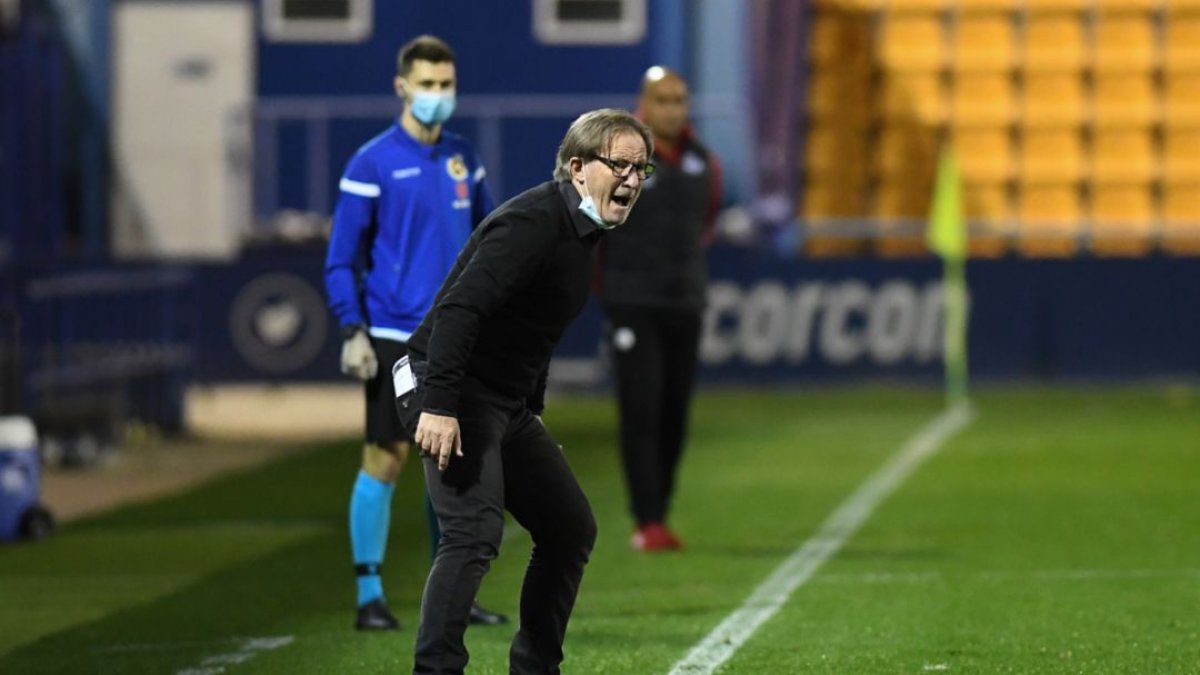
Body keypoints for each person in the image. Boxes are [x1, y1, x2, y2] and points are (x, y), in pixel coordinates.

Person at [397, 108, 653, 674]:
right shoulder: (534, 223)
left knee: (568, 528)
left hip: (497, 401)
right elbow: (460, 310)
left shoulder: (582, 230)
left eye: (642, 168)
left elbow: (531, 330)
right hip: (448, 382)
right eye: (621, 165)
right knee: (473, 533)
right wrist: (438, 405)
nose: (633, 180)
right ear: (578, 167)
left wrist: (529, 412)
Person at [324, 34, 506, 631]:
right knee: (386, 455)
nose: (437, 96)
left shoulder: (463, 157)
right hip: (392, 332)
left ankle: (452, 593)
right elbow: (340, 258)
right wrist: (352, 327)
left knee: (451, 458)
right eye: (427, 85)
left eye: (446, 85)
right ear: (402, 88)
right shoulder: (371, 162)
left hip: (455, 333)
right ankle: (368, 595)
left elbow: (488, 240)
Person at [596, 66, 722, 552]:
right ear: (643, 104)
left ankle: (660, 513)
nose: (673, 108)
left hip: (684, 301)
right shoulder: (619, 159)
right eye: (663, 100)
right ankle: (645, 518)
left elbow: (704, 225)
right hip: (632, 302)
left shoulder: (702, 162)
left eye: (680, 100)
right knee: (640, 410)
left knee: (674, 412)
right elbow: (597, 225)